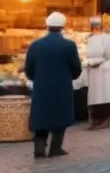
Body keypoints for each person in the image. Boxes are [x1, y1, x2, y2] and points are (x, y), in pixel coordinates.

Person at [25, 12, 82, 158]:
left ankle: (39, 145)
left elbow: (28, 68)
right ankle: (56, 148)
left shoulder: (35, 45)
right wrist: (70, 77)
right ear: (63, 26)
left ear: (47, 26)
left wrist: (36, 79)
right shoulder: (69, 45)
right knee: (59, 115)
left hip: (41, 86)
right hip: (62, 86)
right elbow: (76, 67)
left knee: (42, 114)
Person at [85, 16, 110, 130]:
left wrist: (97, 61)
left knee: (103, 95)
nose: (95, 28)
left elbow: (108, 55)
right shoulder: (90, 39)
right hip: (92, 71)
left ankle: (104, 120)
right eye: (93, 26)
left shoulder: (108, 38)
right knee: (94, 96)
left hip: (104, 70)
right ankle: (95, 120)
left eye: (97, 26)